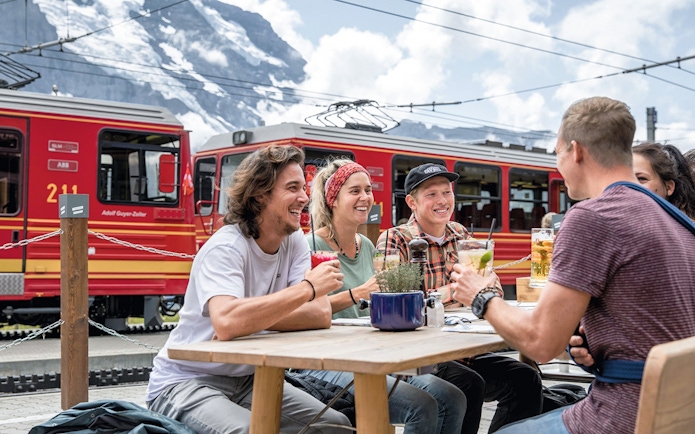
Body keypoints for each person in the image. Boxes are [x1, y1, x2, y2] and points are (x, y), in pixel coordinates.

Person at [451, 96, 695, 433]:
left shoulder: (592, 216)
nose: (558, 167)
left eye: (557, 154)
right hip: (680, 412)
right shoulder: (676, 220)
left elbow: (541, 344)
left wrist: (482, 296)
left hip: (621, 417)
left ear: (576, 151)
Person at [146, 145, 352, 433]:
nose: (304, 198)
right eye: (292, 188)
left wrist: (249, 318)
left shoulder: (292, 241)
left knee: (334, 425)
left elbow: (319, 314)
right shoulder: (226, 247)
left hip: (249, 379)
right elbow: (229, 321)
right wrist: (305, 289)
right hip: (185, 380)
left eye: (304, 188)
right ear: (260, 193)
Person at [302, 159, 466, 434]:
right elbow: (303, 312)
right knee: (422, 406)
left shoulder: (366, 245)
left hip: (371, 355)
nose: (365, 197)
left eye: (368, 190)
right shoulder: (310, 246)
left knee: (453, 397)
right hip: (324, 360)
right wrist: (358, 294)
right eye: (355, 191)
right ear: (332, 199)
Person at [376, 163, 543, 434]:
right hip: (416, 358)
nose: (442, 201)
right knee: (468, 384)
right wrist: (455, 292)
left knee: (525, 378)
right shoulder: (395, 240)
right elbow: (393, 307)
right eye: (431, 194)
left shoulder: (461, 235)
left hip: (464, 351)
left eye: (447, 192)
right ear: (412, 202)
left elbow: (493, 290)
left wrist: (473, 292)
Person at [632, 142, 695, 220]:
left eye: (641, 179)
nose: (629, 185)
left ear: (669, 187)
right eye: (623, 179)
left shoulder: (685, 229)